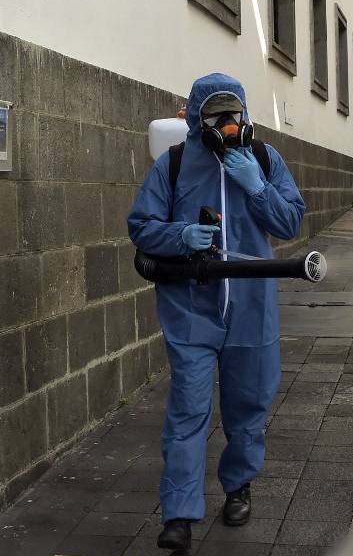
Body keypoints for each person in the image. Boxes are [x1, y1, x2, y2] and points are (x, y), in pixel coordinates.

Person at [127, 73, 307, 551]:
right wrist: (180, 235)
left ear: (246, 116)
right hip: (191, 307)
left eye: (235, 115)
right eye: (216, 115)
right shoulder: (176, 163)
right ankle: (180, 516)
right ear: (194, 117)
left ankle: (238, 486)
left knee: (248, 406)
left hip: (253, 308)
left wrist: (257, 187)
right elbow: (142, 225)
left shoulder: (265, 159)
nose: (227, 124)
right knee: (188, 409)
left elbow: (290, 221)